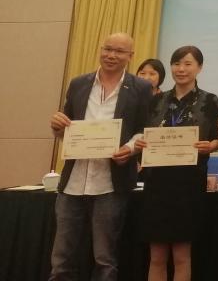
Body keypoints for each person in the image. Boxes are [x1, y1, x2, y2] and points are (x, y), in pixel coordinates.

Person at [47, 32, 153, 281]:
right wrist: (57, 127)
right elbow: (66, 128)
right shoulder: (78, 84)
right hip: (73, 182)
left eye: (119, 51)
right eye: (107, 49)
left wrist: (129, 149)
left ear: (130, 56)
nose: (111, 55)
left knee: (105, 259)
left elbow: (146, 129)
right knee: (61, 259)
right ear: (100, 49)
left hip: (111, 183)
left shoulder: (141, 88)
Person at [137, 45, 218, 281]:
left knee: (182, 256)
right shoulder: (156, 101)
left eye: (187, 64)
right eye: (176, 64)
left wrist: (211, 146)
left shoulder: (210, 101)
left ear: (199, 67)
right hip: (157, 184)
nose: (181, 69)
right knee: (156, 256)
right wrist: (141, 144)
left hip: (189, 185)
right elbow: (143, 134)